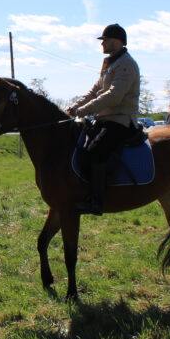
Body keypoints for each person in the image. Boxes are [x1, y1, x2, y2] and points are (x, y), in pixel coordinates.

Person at [65, 23, 140, 215]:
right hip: (103, 119)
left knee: (97, 150)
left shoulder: (126, 64)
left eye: (104, 40)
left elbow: (114, 95)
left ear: (116, 41)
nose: (102, 44)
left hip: (120, 120)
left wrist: (84, 110)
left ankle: (96, 201)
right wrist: (75, 106)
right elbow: (95, 90)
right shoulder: (110, 63)